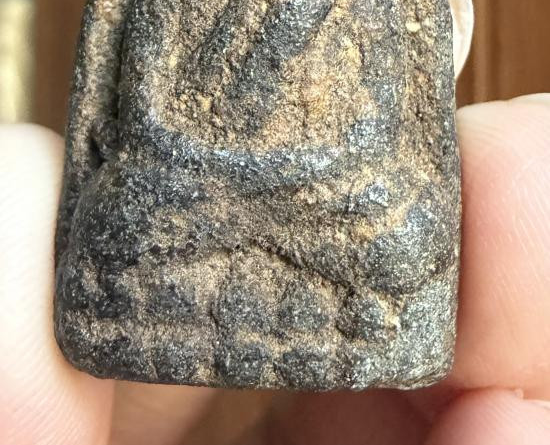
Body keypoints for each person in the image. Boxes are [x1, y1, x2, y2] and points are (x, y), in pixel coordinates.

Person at [2, 94, 550, 444]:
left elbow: (379, 130)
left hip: (316, 190)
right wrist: (238, 176)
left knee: (407, 233)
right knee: (116, 208)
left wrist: (276, 178)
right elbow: (146, 122)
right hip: (202, 184)